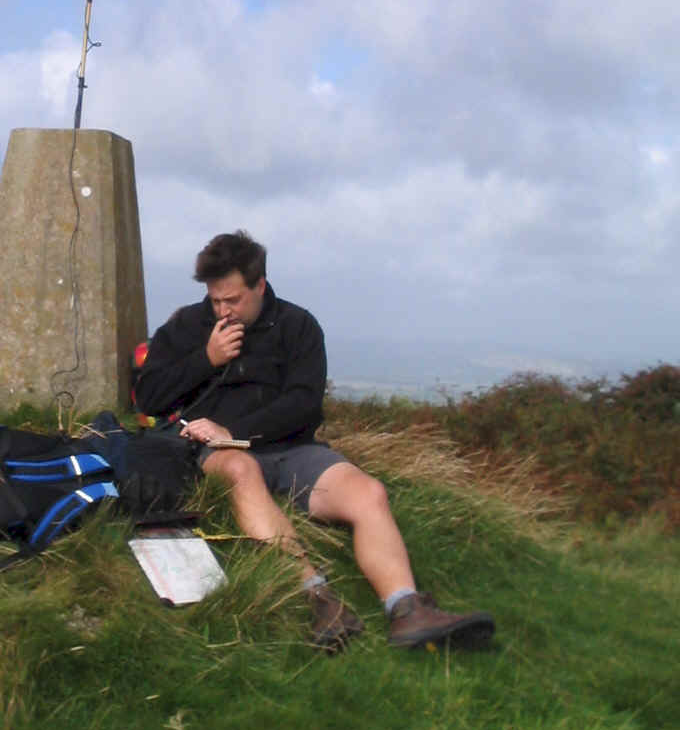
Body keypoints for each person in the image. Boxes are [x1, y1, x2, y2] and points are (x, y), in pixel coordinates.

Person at [134, 230, 494, 653]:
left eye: (233, 300)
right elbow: (151, 398)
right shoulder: (185, 327)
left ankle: (407, 610)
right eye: (215, 300)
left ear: (260, 286)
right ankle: (318, 600)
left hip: (289, 448)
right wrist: (206, 359)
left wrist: (239, 433)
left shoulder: (297, 326)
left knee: (368, 493)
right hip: (215, 454)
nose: (222, 310)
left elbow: (304, 405)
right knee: (238, 467)